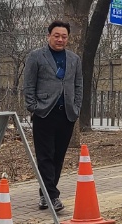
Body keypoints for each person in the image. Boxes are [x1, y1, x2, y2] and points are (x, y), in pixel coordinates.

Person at [22, 21, 83, 213]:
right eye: (56, 35)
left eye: (64, 36)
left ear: (68, 38)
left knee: (58, 156)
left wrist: (77, 107)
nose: (60, 39)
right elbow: (28, 84)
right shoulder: (36, 56)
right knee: (45, 156)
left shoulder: (74, 59)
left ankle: (45, 193)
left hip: (66, 114)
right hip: (44, 113)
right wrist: (33, 107)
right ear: (48, 35)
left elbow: (78, 85)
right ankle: (52, 196)